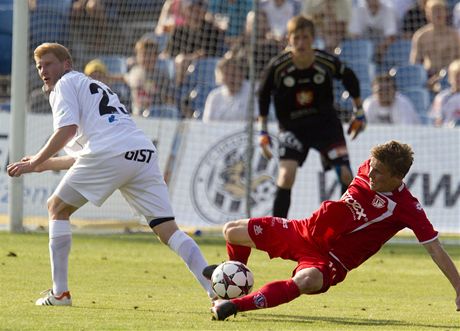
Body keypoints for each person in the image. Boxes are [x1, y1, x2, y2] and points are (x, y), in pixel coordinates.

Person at [6, 42, 214, 306]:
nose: (43, 71)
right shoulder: (91, 87)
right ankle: (214, 289)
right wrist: (43, 164)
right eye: (39, 66)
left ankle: (60, 293)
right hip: (141, 152)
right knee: (168, 229)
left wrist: (36, 158)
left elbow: (67, 131)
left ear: (67, 64)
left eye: (49, 64)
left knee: (56, 207)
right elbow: (90, 154)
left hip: (112, 153)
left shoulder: (64, 85)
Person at [203, 140, 460, 320]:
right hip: (303, 231)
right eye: (370, 165)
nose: (370, 173)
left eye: (378, 172)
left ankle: (233, 305)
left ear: (397, 177)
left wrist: (459, 288)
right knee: (232, 231)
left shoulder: (407, 208)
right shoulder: (367, 168)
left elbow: (435, 249)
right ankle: (234, 277)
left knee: (307, 281)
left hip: (329, 260)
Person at [257, 15, 366, 218]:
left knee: (345, 175)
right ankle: (277, 231)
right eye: (296, 38)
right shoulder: (278, 67)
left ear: (313, 39)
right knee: (286, 174)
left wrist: (359, 112)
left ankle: (347, 231)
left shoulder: (325, 61)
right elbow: (263, 94)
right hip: (292, 128)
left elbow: (349, 77)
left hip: (326, 126)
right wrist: (262, 130)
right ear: (288, 39)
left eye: (305, 37)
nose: (301, 43)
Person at [410, 0, 460, 91]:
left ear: (446, 12)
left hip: (451, 79)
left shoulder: (455, 36)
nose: (438, 14)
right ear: (427, 13)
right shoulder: (421, 36)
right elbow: (415, 64)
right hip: (428, 79)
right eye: (434, 10)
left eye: (441, 10)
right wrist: (426, 79)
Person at [124, 37, 176, 117]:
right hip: (138, 115)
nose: (147, 58)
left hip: (158, 115)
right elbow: (126, 78)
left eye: (151, 55)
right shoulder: (134, 72)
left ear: (156, 57)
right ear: (138, 56)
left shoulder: (161, 75)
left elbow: (168, 98)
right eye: (144, 55)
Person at [202, 52, 256, 122]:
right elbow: (207, 124)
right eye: (227, 74)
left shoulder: (254, 92)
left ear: (242, 73)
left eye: (234, 74)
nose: (231, 79)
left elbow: (257, 120)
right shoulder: (214, 96)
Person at [429, 58, 460, 127]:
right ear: (450, 77)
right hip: (446, 134)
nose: (459, 79)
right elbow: (436, 121)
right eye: (456, 76)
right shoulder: (442, 97)